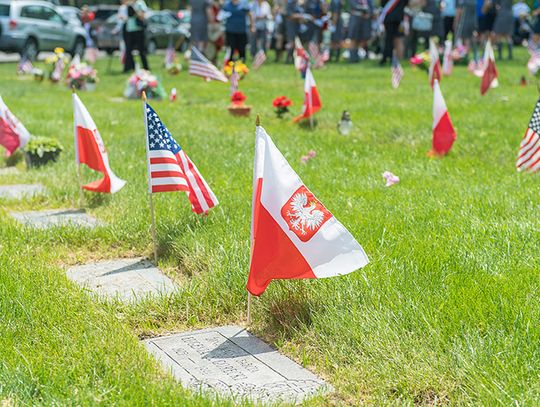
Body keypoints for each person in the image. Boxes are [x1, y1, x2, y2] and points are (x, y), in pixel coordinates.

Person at [380, 0, 409, 65]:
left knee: (388, 38)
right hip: (398, 18)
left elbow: (383, 4)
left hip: (389, 18)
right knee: (396, 39)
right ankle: (392, 57)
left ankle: (386, 57)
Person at [124, 0, 149, 72]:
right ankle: (129, 68)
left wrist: (135, 12)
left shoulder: (140, 3)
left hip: (139, 30)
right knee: (128, 51)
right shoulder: (128, 4)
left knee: (141, 50)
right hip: (129, 30)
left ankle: (145, 67)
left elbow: (143, 16)